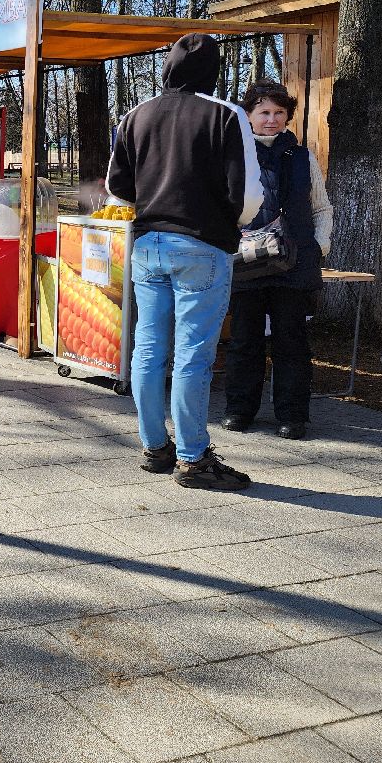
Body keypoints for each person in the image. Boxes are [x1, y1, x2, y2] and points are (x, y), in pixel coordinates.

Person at [106, 33, 262, 491]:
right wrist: (229, 223)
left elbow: (119, 186)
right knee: (193, 356)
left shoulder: (136, 114)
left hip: (149, 243)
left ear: (168, 67)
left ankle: (155, 447)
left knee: (148, 349)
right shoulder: (226, 115)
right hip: (203, 246)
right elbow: (247, 195)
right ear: (212, 70)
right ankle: (193, 459)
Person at [222, 82, 332, 440]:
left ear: (288, 116)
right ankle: (239, 411)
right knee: (244, 340)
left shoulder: (303, 157)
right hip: (246, 262)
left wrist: (319, 246)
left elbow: (321, 207)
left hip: (294, 263)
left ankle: (293, 416)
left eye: (279, 113)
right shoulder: (234, 155)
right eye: (264, 112)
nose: (272, 120)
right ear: (249, 115)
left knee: (292, 341)